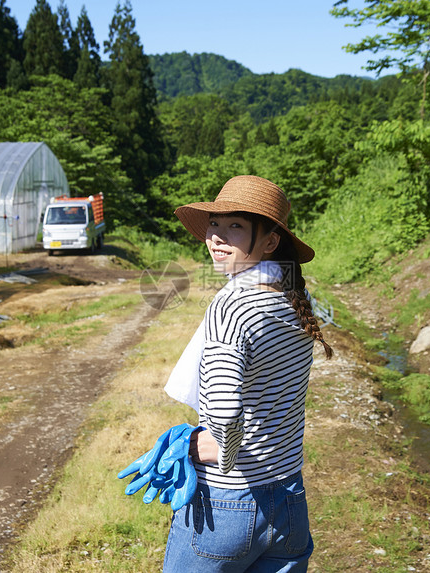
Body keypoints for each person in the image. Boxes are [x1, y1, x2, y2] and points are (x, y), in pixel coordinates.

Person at [163, 175, 333, 572]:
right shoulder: (294, 298)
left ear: (270, 241)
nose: (217, 238)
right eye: (214, 225)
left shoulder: (232, 305)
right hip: (288, 497)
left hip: (229, 503)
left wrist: (221, 450)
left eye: (235, 226)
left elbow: (223, 411)